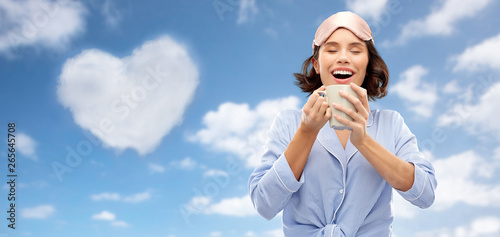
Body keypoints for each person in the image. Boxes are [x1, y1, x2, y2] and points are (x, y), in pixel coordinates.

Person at [248, 11, 437, 237]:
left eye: (356, 50)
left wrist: (364, 142)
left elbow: (425, 194)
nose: (343, 57)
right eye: (332, 49)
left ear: (368, 64)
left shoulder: (391, 123)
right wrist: (307, 132)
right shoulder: (289, 123)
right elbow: (264, 204)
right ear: (316, 64)